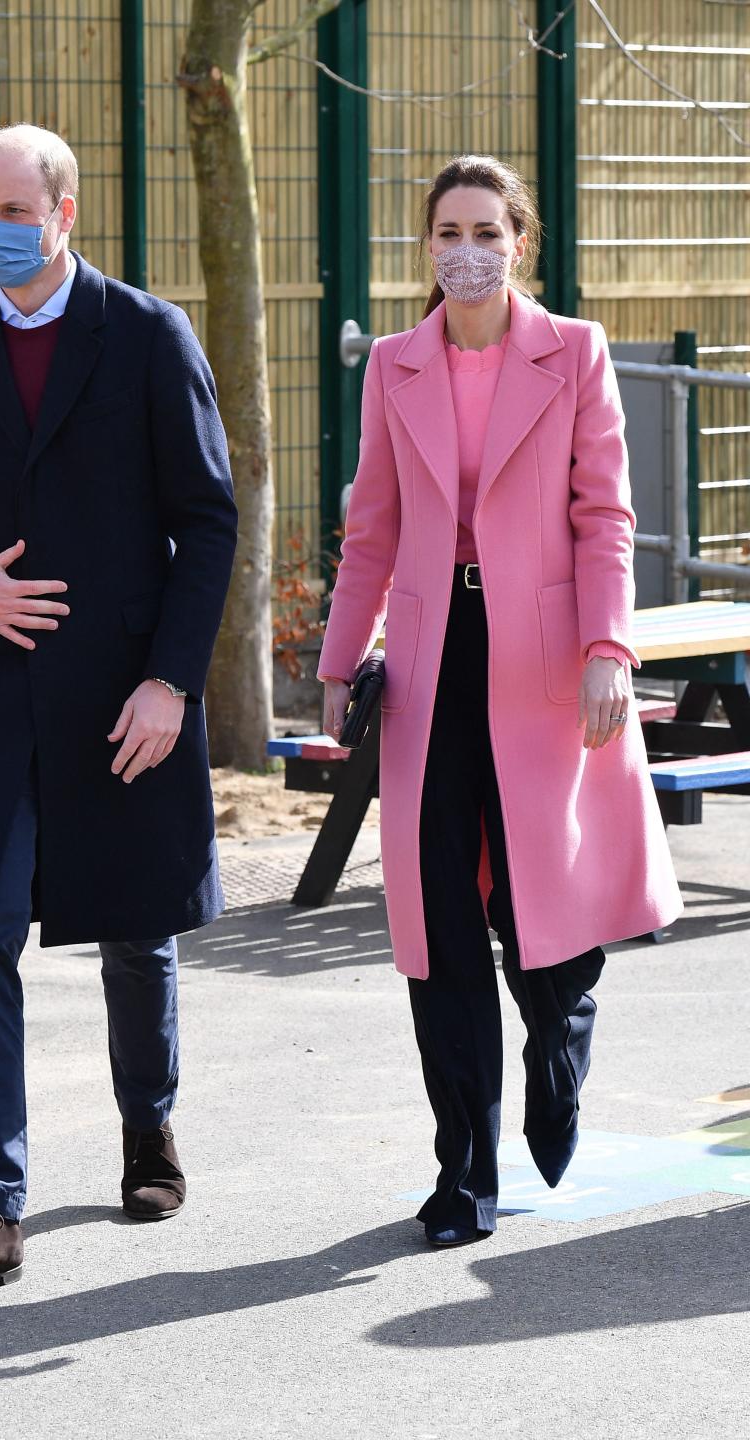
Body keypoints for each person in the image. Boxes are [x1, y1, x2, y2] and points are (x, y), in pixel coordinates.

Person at [0, 124, 237, 1301]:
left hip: (123, 684)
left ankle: (149, 1130)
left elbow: (209, 518)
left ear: (64, 214)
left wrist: (172, 681)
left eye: (12, 208)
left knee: (136, 924)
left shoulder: (146, 334)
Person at [318, 154, 681, 1248]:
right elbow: (372, 528)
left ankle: (560, 1035)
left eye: (484, 229)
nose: (464, 249)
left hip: (544, 660)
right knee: (436, 922)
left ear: (518, 239)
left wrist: (608, 647)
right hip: (432, 665)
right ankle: (461, 1171)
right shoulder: (395, 364)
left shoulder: (574, 352)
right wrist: (340, 664)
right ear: (425, 248)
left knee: (537, 908)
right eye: (445, 232)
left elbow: (605, 514)